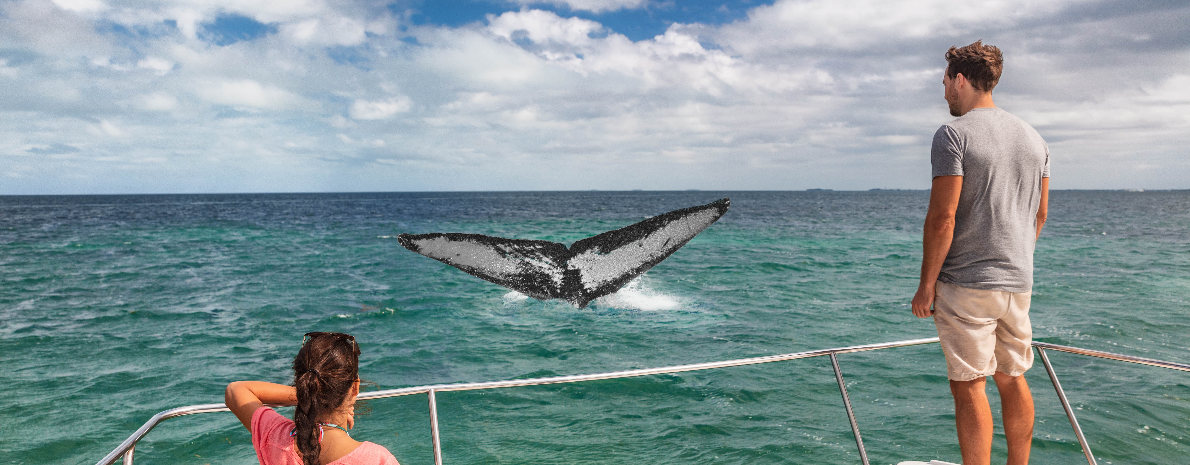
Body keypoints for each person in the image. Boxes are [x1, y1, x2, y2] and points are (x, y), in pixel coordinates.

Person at [911, 41, 1050, 465]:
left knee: (969, 384)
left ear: (960, 79)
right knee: (1012, 378)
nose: (943, 89)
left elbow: (942, 218)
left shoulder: (952, 134)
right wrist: (1015, 258)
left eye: (945, 80)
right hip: (1018, 282)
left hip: (967, 285)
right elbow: (1040, 214)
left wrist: (926, 287)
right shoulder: (1034, 137)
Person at [226, 332, 400, 465]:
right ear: (355, 387)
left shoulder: (276, 439)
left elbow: (236, 390)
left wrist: (309, 394)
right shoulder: (378, 460)